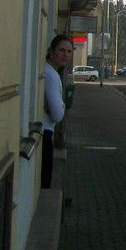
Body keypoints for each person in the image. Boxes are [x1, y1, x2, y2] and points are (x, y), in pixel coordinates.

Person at [42, 34, 74, 189]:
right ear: (52, 51)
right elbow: (57, 114)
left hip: (43, 132)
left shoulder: (49, 70)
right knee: (45, 183)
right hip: (45, 133)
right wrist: (62, 105)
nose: (65, 55)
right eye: (61, 50)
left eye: (69, 51)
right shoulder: (51, 75)